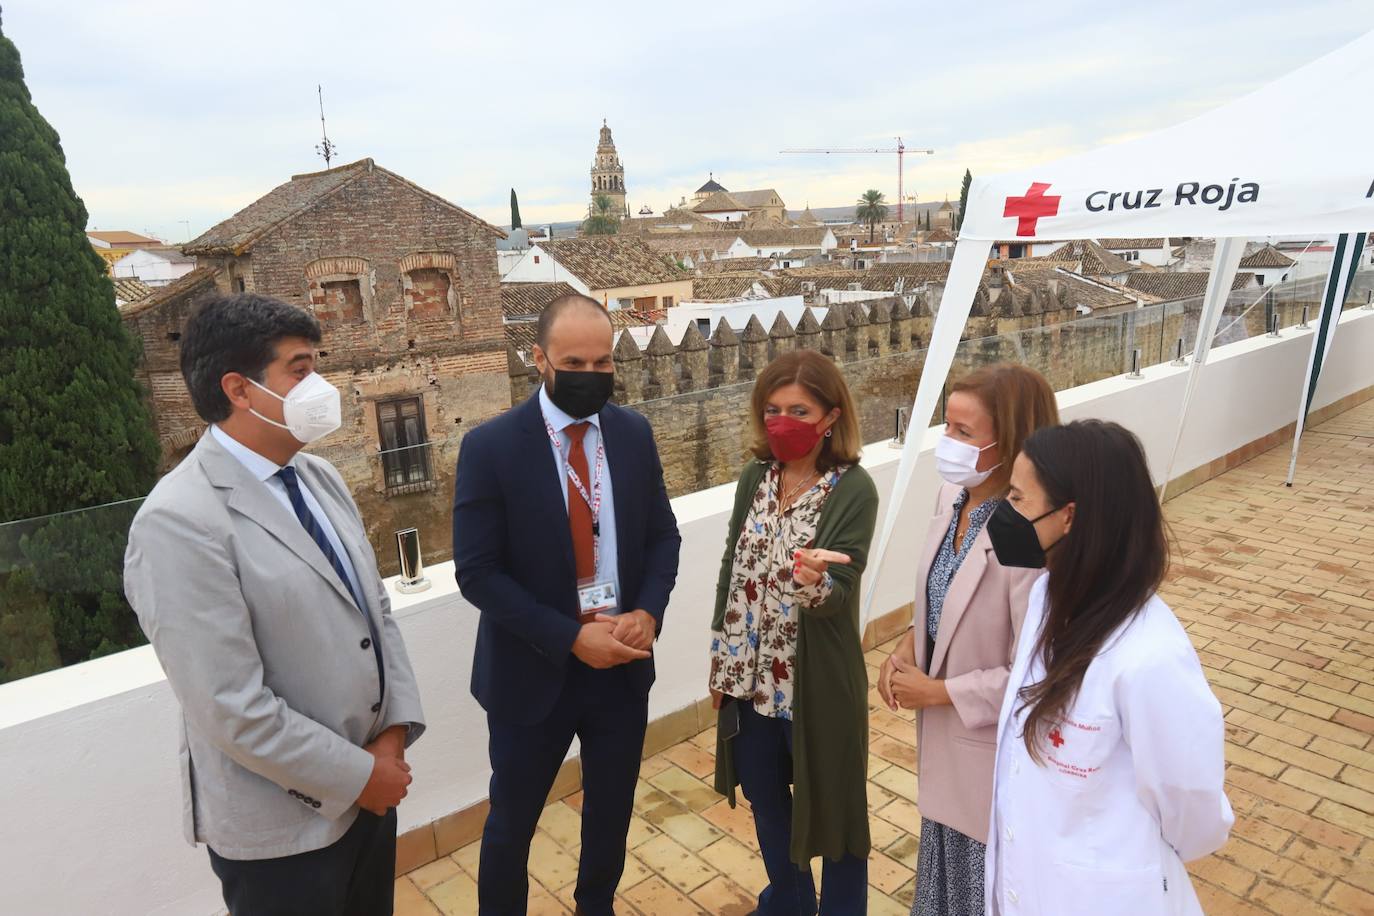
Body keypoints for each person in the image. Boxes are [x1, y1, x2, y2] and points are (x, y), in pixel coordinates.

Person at [124, 293, 426, 916]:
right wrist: (358, 776)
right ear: (239, 389)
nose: (320, 384)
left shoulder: (320, 479)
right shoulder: (179, 522)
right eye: (299, 368)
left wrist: (391, 738)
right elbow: (230, 706)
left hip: (372, 793)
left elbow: (376, 613)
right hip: (284, 831)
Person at [452, 293, 681, 916]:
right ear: (539, 361)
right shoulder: (491, 447)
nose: (591, 375)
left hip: (621, 668)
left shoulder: (631, 434)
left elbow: (663, 536)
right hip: (532, 673)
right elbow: (477, 573)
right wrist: (568, 636)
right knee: (510, 828)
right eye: (574, 361)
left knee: (610, 816)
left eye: (603, 362)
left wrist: (648, 612)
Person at [983, 420, 1233, 915]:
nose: (1003, 513)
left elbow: (1192, 804)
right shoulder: (1045, 598)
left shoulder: (1147, 654)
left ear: (1068, 516)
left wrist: (1111, 850)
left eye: (1017, 499)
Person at [876, 364, 1059, 916]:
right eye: (946, 426)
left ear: (1012, 441)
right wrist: (911, 641)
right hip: (945, 758)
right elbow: (942, 600)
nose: (947, 443)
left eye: (963, 432)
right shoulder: (951, 499)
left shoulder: (1027, 537)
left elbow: (1039, 671)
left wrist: (939, 692)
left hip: (991, 762)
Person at [709, 349, 879, 916]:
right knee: (767, 804)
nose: (784, 421)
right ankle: (790, 903)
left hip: (815, 690)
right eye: (774, 408)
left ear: (831, 416)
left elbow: (840, 595)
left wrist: (815, 583)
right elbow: (733, 568)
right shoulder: (756, 477)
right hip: (750, 686)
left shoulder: (852, 490)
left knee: (834, 819)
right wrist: (721, 663)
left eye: (800, 410)